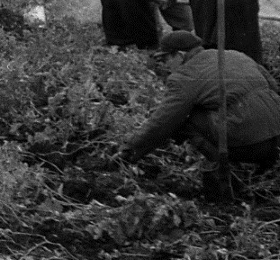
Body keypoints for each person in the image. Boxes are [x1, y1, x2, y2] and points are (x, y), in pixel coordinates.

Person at [120, 31, 280, 195]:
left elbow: (164, 121)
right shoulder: (235, 55)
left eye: (166, 59)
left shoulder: (184, 77)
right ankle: (265, 166)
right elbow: (273, 87)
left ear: (181, 55)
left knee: (184, 118)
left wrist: (131, 149)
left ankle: (223, 166)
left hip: (248, 143)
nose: (165, 66)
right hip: (276, 137)